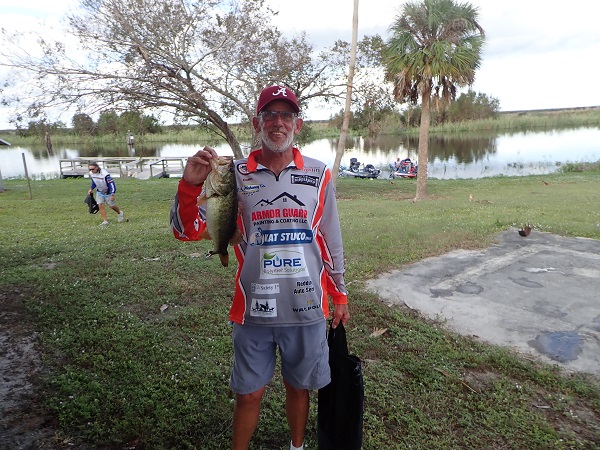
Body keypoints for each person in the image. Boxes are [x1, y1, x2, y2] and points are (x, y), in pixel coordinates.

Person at [170, 85, 350, 450]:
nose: (278, 123)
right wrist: (189, 185)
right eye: (270, 115)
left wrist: (340, 292)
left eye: (286, 115)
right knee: (248, 394)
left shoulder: (319, 173)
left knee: (299, 388)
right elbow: (186, 231)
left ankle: (296, 447)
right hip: (253, 310)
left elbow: (329, 237)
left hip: (306, 307)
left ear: (297, 124)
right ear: (257, 123)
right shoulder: (233, 174)